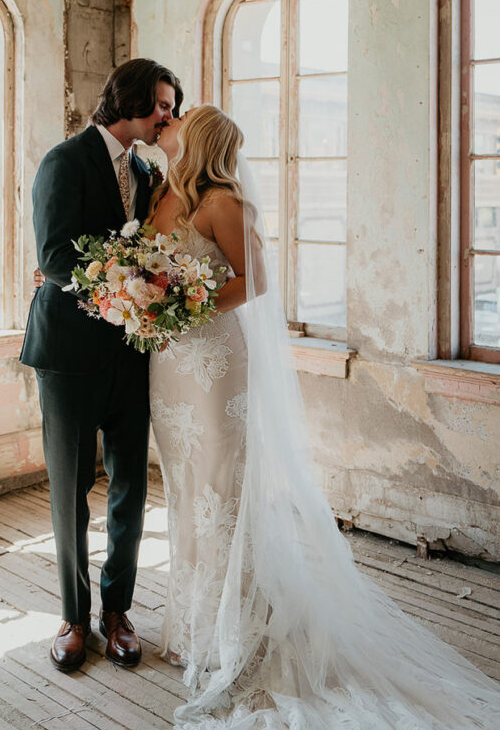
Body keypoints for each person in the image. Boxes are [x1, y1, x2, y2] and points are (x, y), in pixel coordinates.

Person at [147, 105, 500, 728]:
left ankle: (240, 633)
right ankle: (196, 624)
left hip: (212, 362)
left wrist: (185, 306)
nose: (168, 123)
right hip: (170, 366)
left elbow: (255, 279)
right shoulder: (165, 192)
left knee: (222, 491)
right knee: (184, 491)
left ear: (198, 138)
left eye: (181, 118)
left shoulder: (223, 202)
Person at [20, 58, 182, 674]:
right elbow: (55, 255)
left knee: (131, 487)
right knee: (70, 489)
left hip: (131, 353)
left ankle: (118, 612)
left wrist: (142, 304)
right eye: (163, 104)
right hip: (67, 353)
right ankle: (73, 616)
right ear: (132, 99)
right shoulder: (63, 161)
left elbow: (147, 247)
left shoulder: (145, 170)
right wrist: (124, 295)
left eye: (171, 106)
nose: (169, 115)